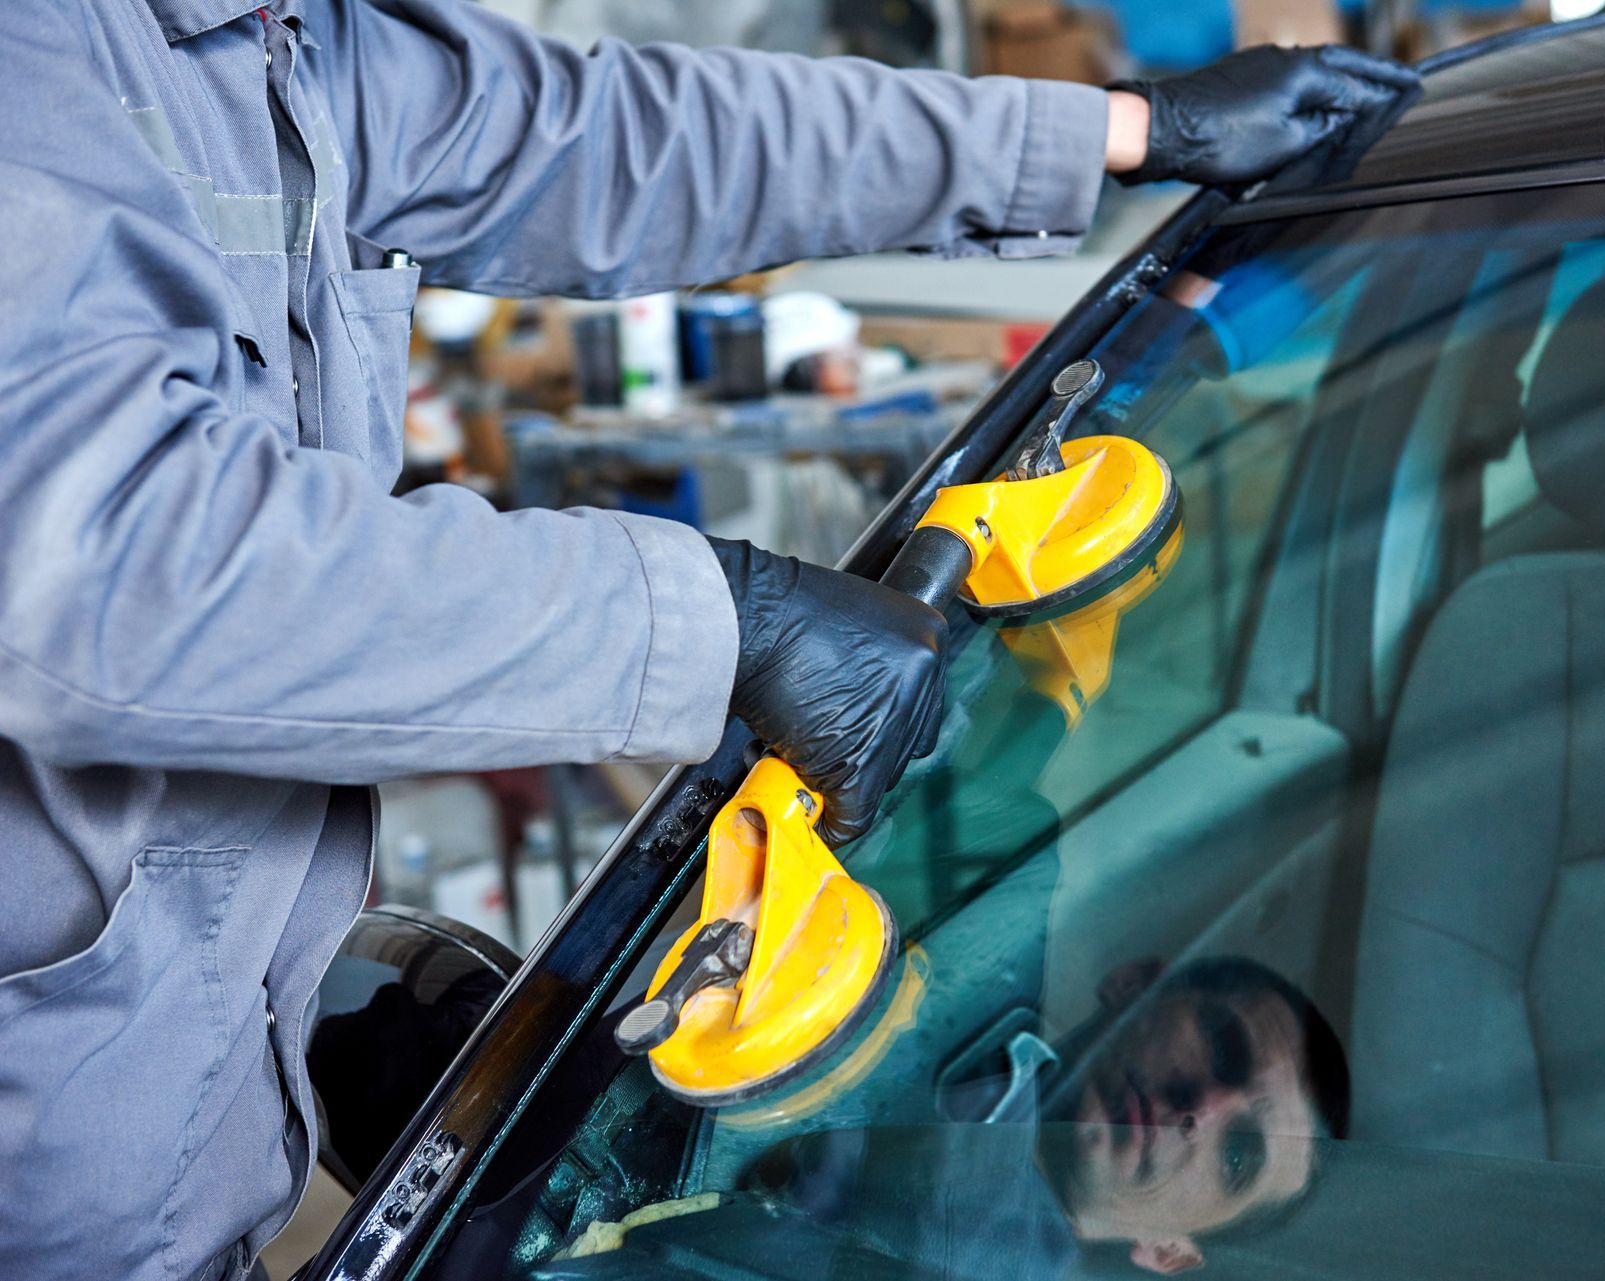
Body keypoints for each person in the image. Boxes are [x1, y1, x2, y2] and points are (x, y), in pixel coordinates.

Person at [0, 1, 1415, 1276]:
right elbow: (108, 565)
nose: (1202, 1106)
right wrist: (719, 616)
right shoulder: (51, 54)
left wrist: (1119, 130)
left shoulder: (287, 40)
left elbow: (613, 136)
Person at [725, 954, 1348, 1280]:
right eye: (1223, 1046)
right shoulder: (980, 952)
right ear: (1136, 984)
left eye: (1237, 1155)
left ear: (1171, 1253)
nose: (1200, 1111)